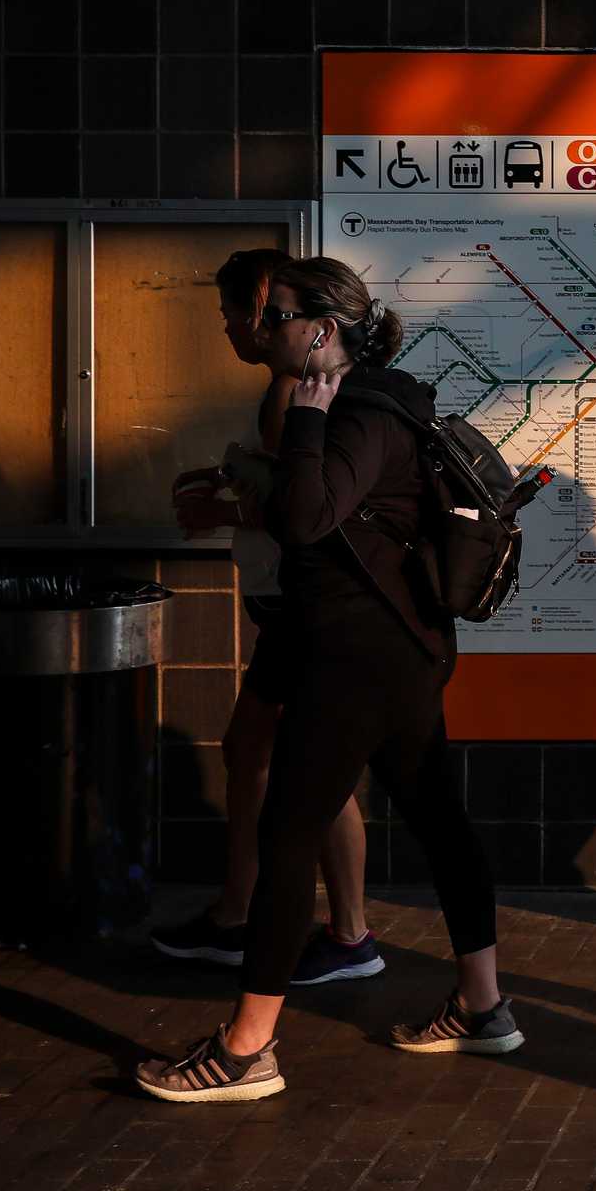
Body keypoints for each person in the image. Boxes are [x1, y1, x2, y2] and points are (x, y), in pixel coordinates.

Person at [136, 258, 516, 1103]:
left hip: (357, 656)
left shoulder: (358, 409)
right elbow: (335, 516)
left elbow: (311, 516)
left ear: (321, 326)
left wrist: (306, 420)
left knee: (289, 836)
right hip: (395, 649)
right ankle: (484, 1007)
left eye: (273, 318)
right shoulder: (380, 402)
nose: (261, 332)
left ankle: (246, 1048)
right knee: (438, 821)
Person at [150, 250, 380, 987]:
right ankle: (244, 914)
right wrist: (229, 480)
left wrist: (225, 505)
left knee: (304, 766)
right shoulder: (295, 391)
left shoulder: (295, 392)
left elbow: (302, 510)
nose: (226, 327)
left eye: (238, 313)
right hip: (296, 606)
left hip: (302, 608)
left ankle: (336, 932)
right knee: (256, 753)